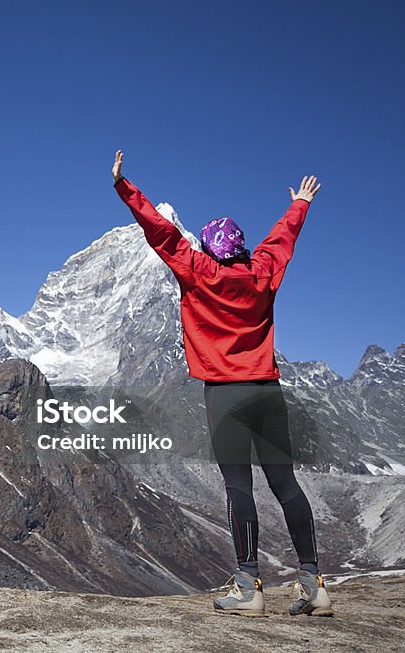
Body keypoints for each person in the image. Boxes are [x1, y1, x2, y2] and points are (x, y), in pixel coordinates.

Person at [111, 150, 333, 617]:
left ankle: (249, 587)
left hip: (226, 393)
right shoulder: (261, 273)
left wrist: (125, 187)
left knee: (238, 487)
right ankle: (314, 584)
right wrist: (300, 204)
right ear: (241, 248)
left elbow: (163, 233)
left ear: (210, 249)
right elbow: (280, 241)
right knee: (286, 485)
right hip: (268, 392)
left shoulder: (199, 272)